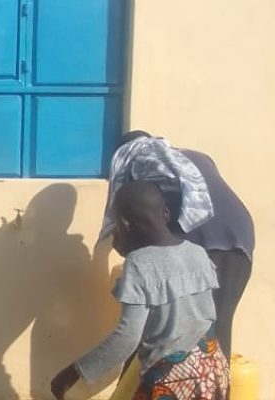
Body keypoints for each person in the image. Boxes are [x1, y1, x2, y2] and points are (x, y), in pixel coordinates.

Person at [52, 181, 229, 400]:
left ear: (124, 225)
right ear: (166, 213)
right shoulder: (197, 252)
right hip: (213, 369)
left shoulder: (138, 263)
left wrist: (73, 373)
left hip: (173, 380)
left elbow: (127, 337)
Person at [101, 130, 254, 359]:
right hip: (241, 232)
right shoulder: (189, 157)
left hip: (200, 234)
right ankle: (218, 380)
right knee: (218, 324)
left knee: (162, 330)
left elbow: (144, 223)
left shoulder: (138, 163)